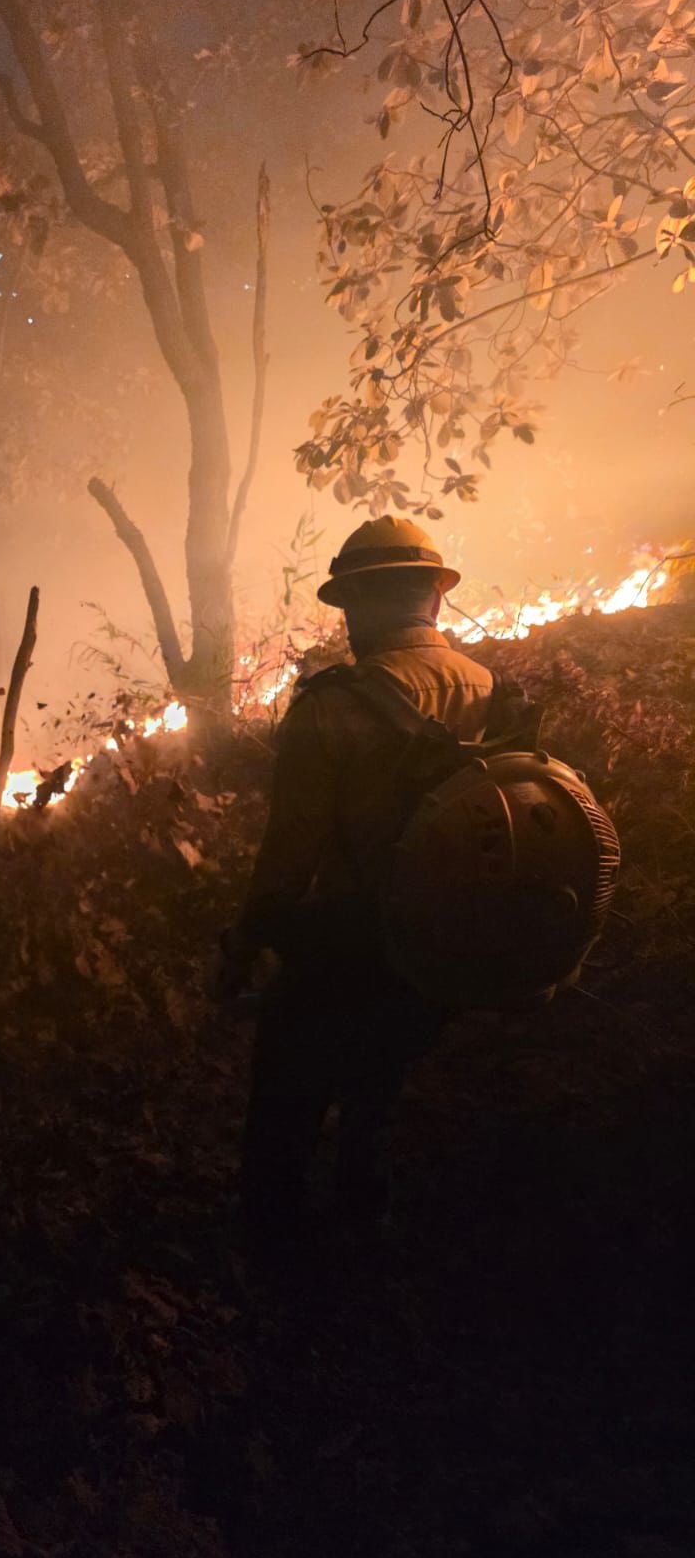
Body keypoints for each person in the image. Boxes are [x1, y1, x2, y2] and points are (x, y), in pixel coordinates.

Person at [220, 515, 496, 1247]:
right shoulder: (486, 687)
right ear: (434, 599)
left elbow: (288, 858)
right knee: (378, 1089)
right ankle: (364, 1225)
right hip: (439, 938)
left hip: (346, 942)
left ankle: (275, 1253)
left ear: (356, 607)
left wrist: (245, 945)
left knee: (287, 1096)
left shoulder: (332, 706)